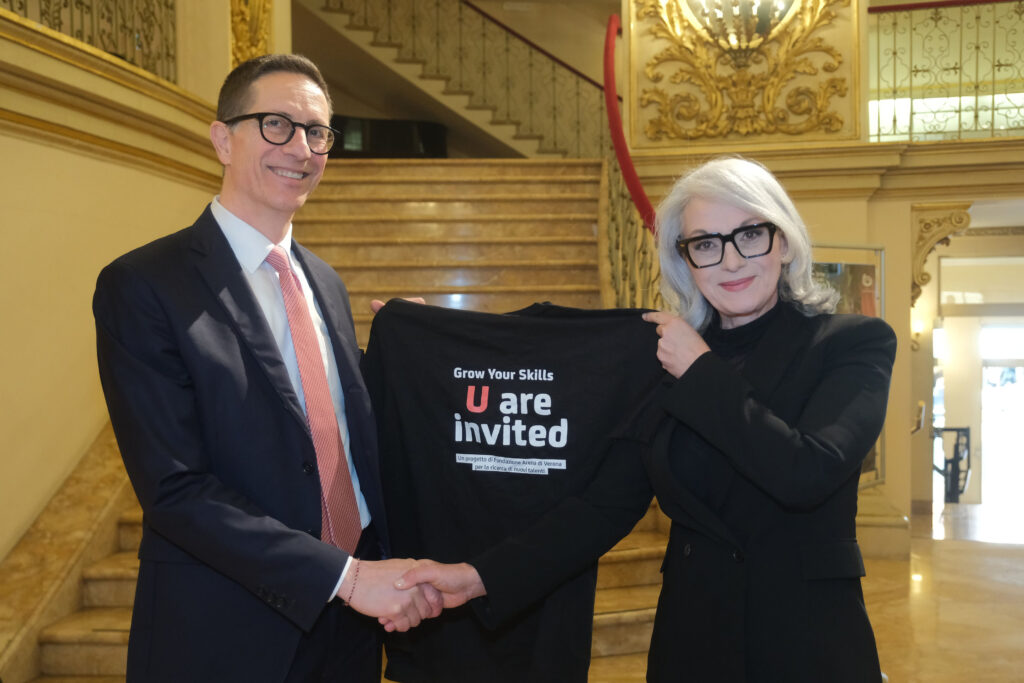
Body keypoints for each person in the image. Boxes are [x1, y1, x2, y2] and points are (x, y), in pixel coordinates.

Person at [394, 156, 896, 682]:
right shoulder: (665, 362)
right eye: (706, 244)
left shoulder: (851, 343)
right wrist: (477, 576)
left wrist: (700, 371)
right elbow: (603, 507)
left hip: (808, 645)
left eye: (750, 235)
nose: (730, 261)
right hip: (693, 645)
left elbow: (807, 472)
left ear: (785, 242)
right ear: (685, 260)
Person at [93, 54, 439, 683]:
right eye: (276, 124)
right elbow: (175, 490)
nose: (301, 148)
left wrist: (404, 358)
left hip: (353, 630)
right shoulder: (144, 285)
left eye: (318, 132)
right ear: (223, 140)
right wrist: (343, 577)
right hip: (230, 627)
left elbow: (326, 423)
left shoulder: (325, 282)